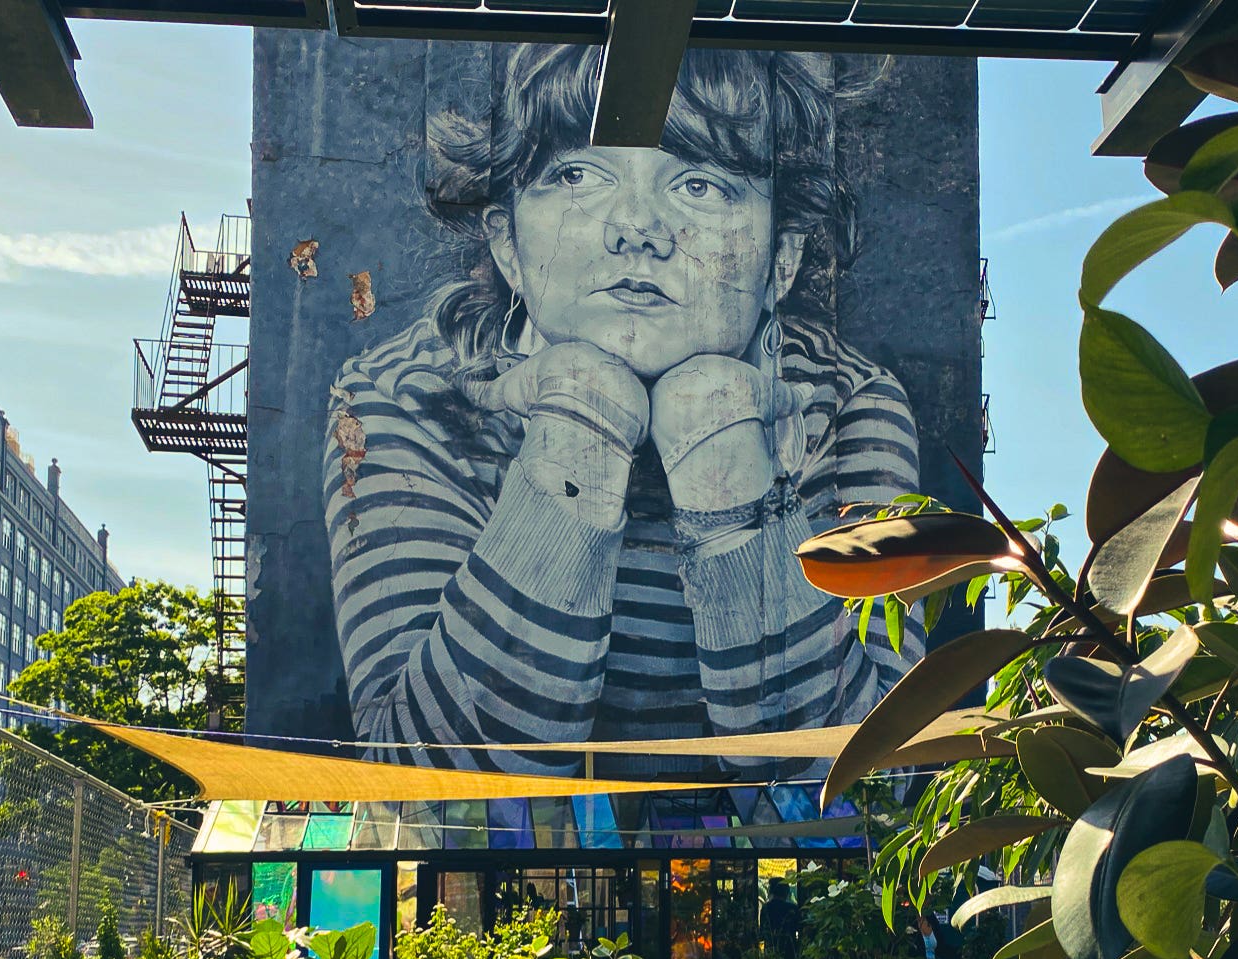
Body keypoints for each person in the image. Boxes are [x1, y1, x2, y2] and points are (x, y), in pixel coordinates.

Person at [323, 46, 927, 771]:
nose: (635, 228)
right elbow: (419, 779)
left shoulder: (848, 402)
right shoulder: (401, 396)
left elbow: (880, 775)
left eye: (700, 185)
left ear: (782, 262)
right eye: (577, 175)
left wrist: (726, 469)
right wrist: (581, 428)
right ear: (508, 244)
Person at [761, 878, 801, 959]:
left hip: (770, 951)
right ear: (786, 892)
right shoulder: (792, 908)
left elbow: (763, 930)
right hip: (789, 951)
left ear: (771, 891)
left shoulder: (766, 908)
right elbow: (799, 928)